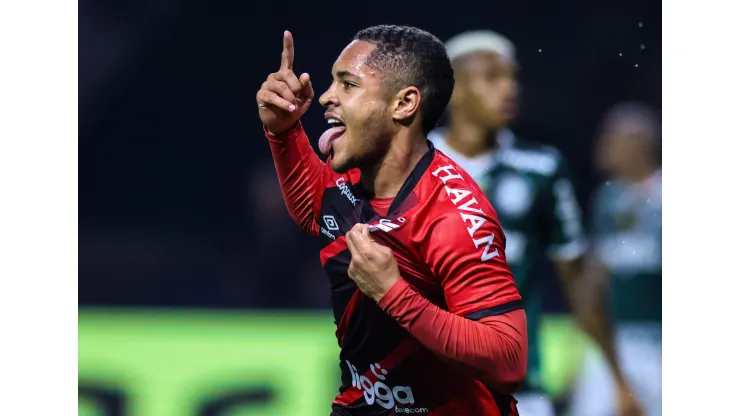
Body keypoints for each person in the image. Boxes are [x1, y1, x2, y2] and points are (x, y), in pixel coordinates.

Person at [256, 25, 527, 415]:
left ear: (404, 104)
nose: (327, 98)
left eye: (347, 85)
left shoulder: (453, 215)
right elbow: (318, 213)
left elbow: (508, 360)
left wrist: (392, 294)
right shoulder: (351, 175)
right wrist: (282, 132)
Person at [429, 30, 642, 416]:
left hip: (519, 391)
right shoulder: (412, 164)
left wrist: (617, 376)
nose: (509, 88)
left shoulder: (541, 168)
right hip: (427, 390)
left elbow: (576, 277)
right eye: (492, 77)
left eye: (512, 77)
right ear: (455, 90)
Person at [569, 102, 662, 416]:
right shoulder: (608, 199)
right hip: (617, 342)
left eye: (612, 137)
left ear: (639, 144)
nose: (602, 145)